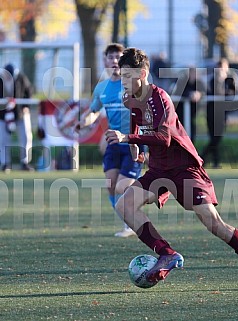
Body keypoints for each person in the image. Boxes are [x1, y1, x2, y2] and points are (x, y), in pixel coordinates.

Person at [105, 47, 238, 290]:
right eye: (121, 75)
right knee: (124, 205)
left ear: (143, 73)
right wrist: (138, 147)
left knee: (214, 224)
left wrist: (127, 139)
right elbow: (136, 117)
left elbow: (164, 138)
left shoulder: (160, 98)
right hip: (159, 171)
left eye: (128, 76)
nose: (123, 81)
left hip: (184, 169)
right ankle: (167, 253)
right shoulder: (130, 97)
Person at [78, 43, 144, 237]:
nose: (114, 61)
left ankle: (133, 218)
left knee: (124, 185)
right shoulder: (101, 88)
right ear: (105, 61)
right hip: (113, 142)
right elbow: (94, 112)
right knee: (110, 184)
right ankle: (128, 222)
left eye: (118, 58)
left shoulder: (132, 84)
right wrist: (84, 122)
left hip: (133, 142)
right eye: (111, 57)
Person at [201, 58, 238, 168]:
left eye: (224, 67)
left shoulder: (229, 80)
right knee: (214, 137)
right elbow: (217, 93)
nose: (221, 70)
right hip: (212, 113)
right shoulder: (214, 80)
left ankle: (204, 159)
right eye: (219, 67)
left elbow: (234, 92)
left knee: (217, 138)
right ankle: (212, 161)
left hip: (222, 113)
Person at [0, 63, 34, 172]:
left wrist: (26, 107)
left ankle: (25, 162)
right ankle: (5, 164)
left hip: (20, 113)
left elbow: (29, 91)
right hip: (3, 115)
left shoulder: (21, 78)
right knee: (3, 140)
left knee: (26, 136)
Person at [171, 67, 206, 143]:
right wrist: (190, 94)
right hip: (181, 112)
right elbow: (178, 92)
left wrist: (199, 94)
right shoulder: (182, 81)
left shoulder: (199, 82)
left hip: (192, 113)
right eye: (192, 73)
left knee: (191, 133)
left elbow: (204, 91)